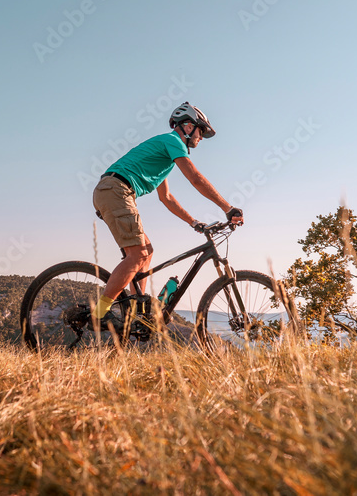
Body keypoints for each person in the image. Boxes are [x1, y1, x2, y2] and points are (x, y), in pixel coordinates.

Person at [88, 101, 243, 331]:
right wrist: (227, 208)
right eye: (201, 131)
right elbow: (195, 178)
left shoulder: (164, 156)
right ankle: (99, 314)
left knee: (146, 252)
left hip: (115, 191)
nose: (200, 138)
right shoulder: (172, 142)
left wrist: (194, 222)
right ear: (188, 126)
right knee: (137, 254)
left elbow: (167, 198)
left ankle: (137, 314)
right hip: (115, 190)